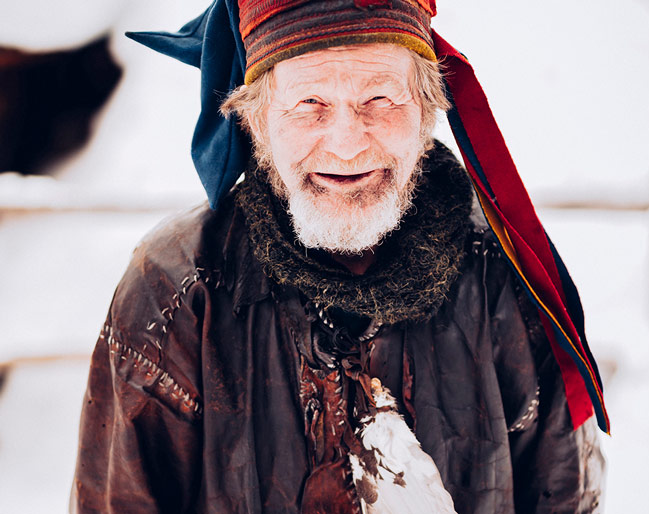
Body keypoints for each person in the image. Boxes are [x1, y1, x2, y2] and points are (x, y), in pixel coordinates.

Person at [72, 1, 608, 512]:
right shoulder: (180, 286)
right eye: (310, 104)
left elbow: (565, 495)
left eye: (379, 99)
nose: (348, 144)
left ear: (424, 111)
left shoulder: (501, 267)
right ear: (258, 122)